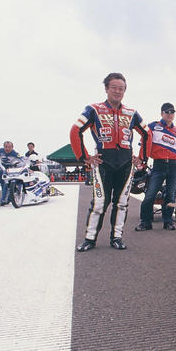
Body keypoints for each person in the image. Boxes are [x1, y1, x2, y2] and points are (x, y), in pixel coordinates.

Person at [70, 72, 149, 251]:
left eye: (121, 88)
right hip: (103, 163)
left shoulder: (132, 113)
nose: (117, 91)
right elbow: (75, 130)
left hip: (125, 164)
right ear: (106, 89)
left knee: (122, 202)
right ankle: (90, 238)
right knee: (99, 203)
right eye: (114, 87)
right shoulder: (93, 109)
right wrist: (85, 157)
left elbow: (147, 134)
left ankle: (117, 237)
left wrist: (142, 157)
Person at [135, 102, 176, 231]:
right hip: (158, 164)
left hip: (173, 166)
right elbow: (143, 144)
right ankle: (145, 222)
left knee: (171, 195)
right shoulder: (152, 126)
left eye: (172, 112)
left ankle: (168, 222)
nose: (170, 114)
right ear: (162, 113)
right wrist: (141, 161)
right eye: (167, 112)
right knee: (150, 194)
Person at [0, 141, 20, 206]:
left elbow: (20, 161)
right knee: (2, 184)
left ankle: (4, 199)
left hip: (9, 169)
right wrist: (3, 170)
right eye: (6, 147)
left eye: (9, 147)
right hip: (1, 169)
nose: (7, 149)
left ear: (12, 147)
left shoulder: (15, 153)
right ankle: (8, 198)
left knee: (7, 184)